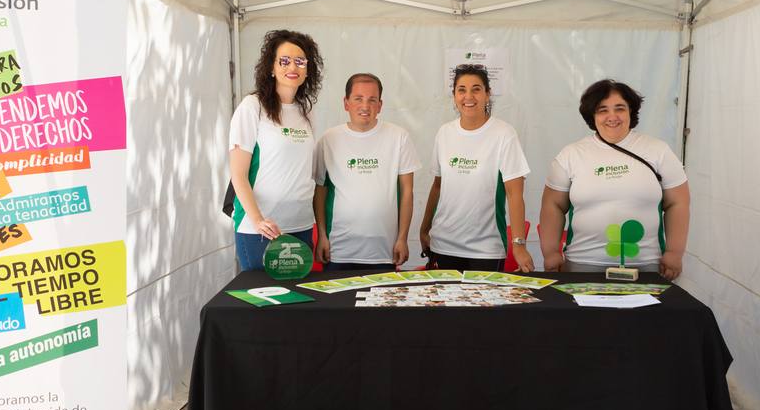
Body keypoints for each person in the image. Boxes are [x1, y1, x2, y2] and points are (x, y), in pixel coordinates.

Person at [539, 80, 690, 279]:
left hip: (646, 265)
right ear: (592, 116)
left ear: (631, 112)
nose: (612, 117)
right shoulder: (571, 155)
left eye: (620, 108)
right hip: (582, 264)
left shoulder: (658, 151)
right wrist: (551, 252)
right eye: (602, 110)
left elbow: (678, 203)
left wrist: (674, 252)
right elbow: (553, 205)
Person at [420, 64, 533, 272]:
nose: (468, 96)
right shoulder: (444, 133)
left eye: (476, 89)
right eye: (461, 90)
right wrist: (424, 228)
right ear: (454, 95)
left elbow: (514, 194)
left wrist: (518, 245)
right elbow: (437, 186)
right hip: (444, 246)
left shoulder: (504, 134)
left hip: (486, 250)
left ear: (487, 94)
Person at [228, 29, 323, 271]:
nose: (293, 66)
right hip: (261, 228)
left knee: (296, 303)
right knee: (263, 304)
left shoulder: (306, 111)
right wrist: (258, 220)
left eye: (300, 61)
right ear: (271, 67)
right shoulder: (252, 107)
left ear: (307, 69)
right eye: (284, 60)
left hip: (300, 224)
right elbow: (238, 175)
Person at [313, 73, 420, 271]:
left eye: (372, 100)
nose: (365, 106)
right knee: (335, 302)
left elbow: (407, 192)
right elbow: (320, 191)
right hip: (339, 251)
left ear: (380, 105)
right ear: (346, 103)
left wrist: (403, 238)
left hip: (383, 251)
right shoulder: (328, 140)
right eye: (358, 99)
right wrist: (321, 236)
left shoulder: (399, 138)